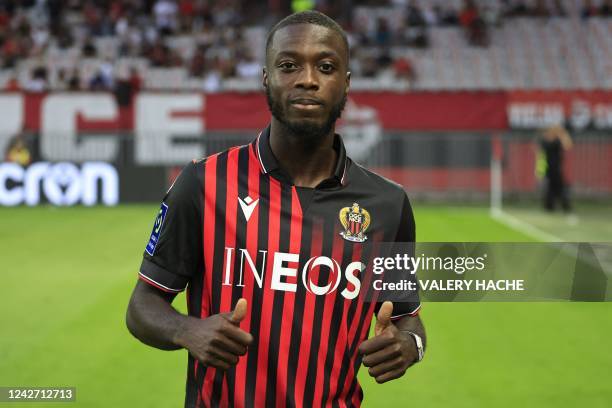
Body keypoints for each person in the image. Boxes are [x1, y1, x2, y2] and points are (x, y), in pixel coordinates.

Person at [126, 11, 426, 407]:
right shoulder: (205, 183)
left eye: (326, 66)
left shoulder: (388, 204)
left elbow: (408, 316)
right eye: (288, 65)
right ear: (266, 77)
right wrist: (187, 330)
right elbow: (142, 305)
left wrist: (411, 345)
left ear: (346, 83)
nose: (307, 79)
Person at [541, 125, 573, 212]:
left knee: (551, 188)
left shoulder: (546, 141)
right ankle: (565, 206)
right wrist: (562, 134)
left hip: (549, 168)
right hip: (554, 169)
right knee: (560, 188)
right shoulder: (555, 142)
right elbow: (568, 145)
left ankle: (550, 206)